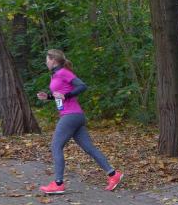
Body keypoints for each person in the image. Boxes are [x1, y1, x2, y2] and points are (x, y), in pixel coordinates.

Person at [36, 49, 123, 194]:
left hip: (70, 116)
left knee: (56, 146)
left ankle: (58, 184)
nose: (46, 62)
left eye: (47, 59)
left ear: (53, 60)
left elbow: (82, 86)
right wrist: (49, 97)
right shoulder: (56, 74)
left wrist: (66, 95)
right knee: (89, 148)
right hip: (74, 115)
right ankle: (114, 175)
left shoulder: (63, 72)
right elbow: (61, 95)